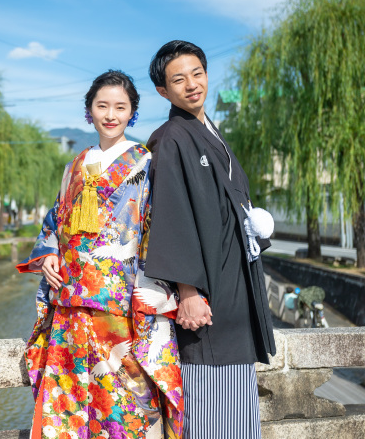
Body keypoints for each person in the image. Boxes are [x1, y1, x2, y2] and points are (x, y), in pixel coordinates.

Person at [18, 70, 183, 439]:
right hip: (71, 302)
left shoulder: (144, 161)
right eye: (102, 106)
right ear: (89, 111)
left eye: (120, 107)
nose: (111, 115)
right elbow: (56, 218)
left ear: (132, 113)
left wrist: (160, 286)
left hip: (121, 302)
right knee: (68, 400)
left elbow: (158, 224)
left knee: (125, 403)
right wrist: (48, 255)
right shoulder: (74, 165)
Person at [144, 40, 276, 438]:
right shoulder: (170, 138)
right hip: (206, 295)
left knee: (237, 411)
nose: (192, 85)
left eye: (197, 74)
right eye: (178, 79)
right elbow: (172, 215)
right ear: (163, 91)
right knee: (211, 407)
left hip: (234, 284)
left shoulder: (210, 132)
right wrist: (187, 291)